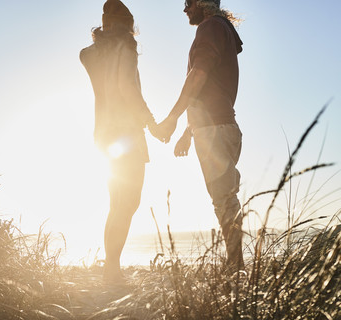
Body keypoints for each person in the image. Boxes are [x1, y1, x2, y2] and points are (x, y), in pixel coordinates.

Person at [156, 0, 245, 272]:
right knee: (225, 199)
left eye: (188, 2)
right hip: (220, 127)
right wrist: (188, 131)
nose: (185, 9)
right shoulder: (222, 28)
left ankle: (236, 269)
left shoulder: (210, 27)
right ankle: (236, 266)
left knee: (224, 201)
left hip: (215, 130)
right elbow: (210, 90)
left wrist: (172, 118)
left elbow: (199, 76)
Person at [80, 0, 158, 282]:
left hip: (103, 133)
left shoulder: (89, 54)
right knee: (130, 201)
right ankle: (112, 269)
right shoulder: (127, 46)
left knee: (117, 202)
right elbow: (126, 86)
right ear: (126, 26)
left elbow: (91, 57)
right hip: (127, 133)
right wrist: (151, 122)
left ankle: (111, 266)